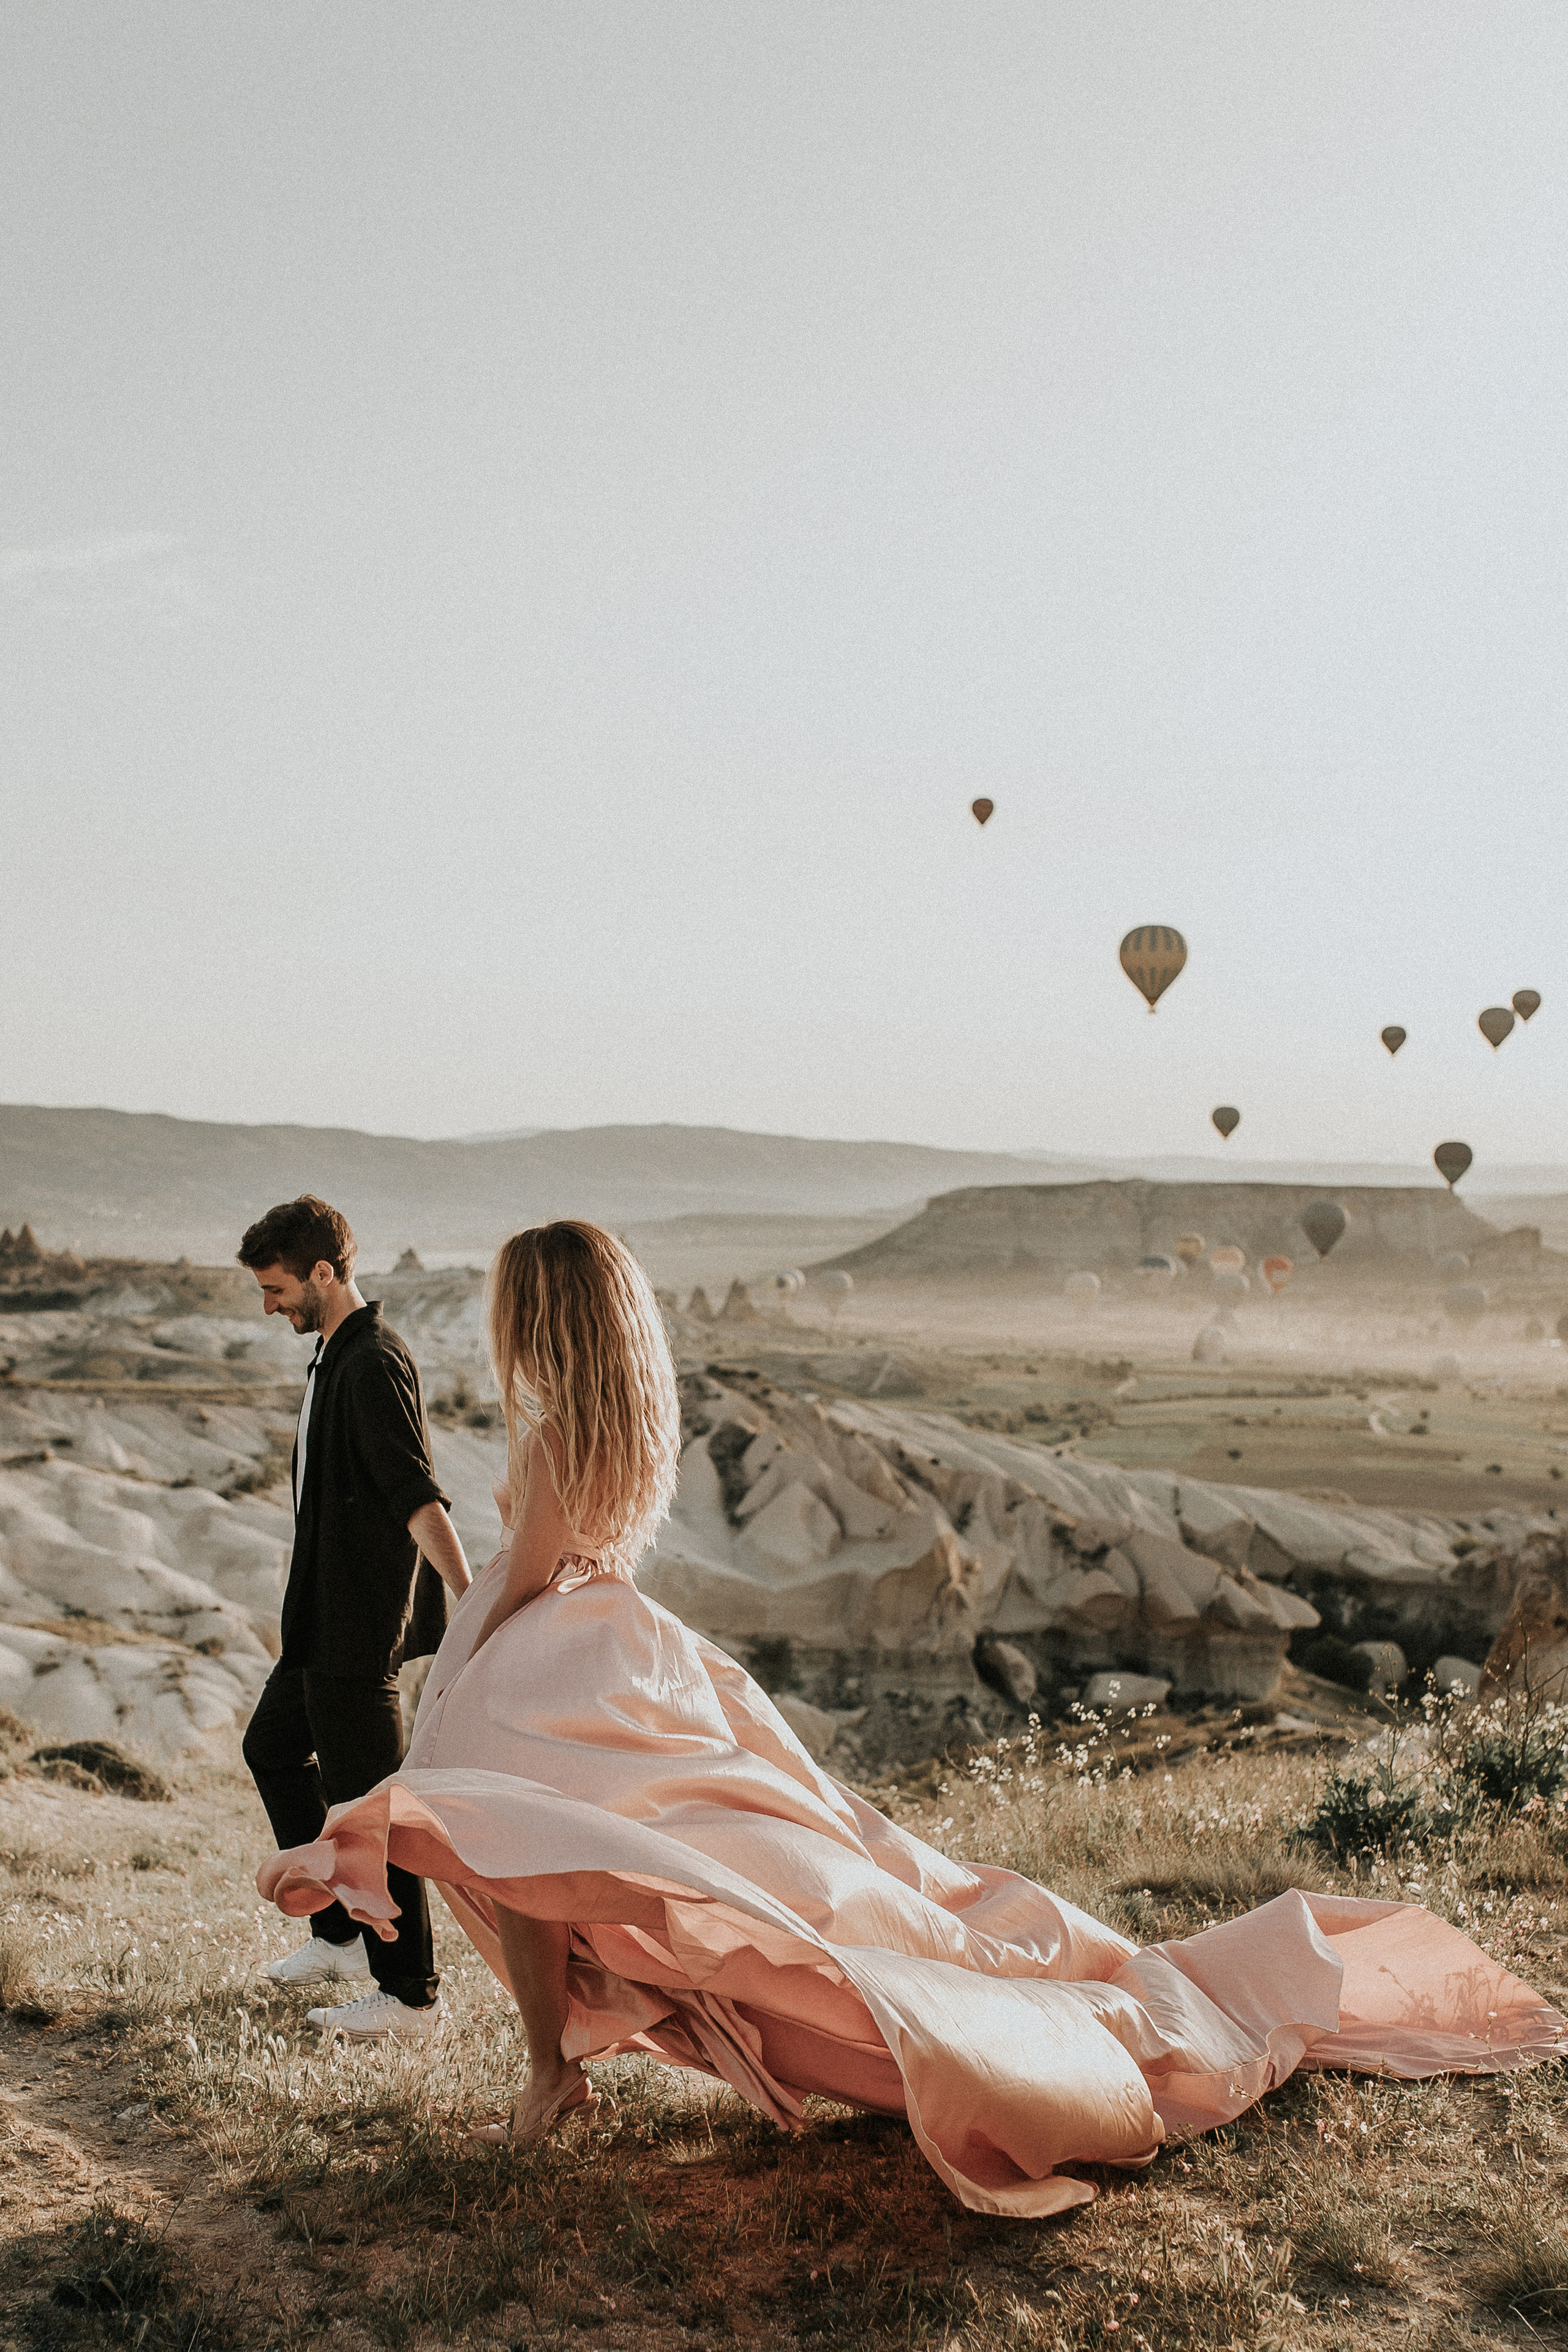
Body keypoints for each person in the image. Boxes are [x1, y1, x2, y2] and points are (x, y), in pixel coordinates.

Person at [258, 1221, 1564, 2206]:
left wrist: (453, 1683)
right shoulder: (621, 1424)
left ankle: (553, 2071)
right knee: (663, 1863)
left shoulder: (546, 1438)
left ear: (533, 1319)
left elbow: (528, 1571)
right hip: (617, 1653)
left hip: (550, 1658)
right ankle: (559, 2066)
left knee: (532, 1854)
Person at [239, 1194, 471, 2041]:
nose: (268, 1306)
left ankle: (411, 1997)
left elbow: (416, 1494)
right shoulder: (334, 1354)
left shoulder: (371, 1362)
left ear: (325, 1273)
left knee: (373, 1812)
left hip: (355, 1630)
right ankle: (339, 1936)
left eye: (276, 1289)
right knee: (270, 1747)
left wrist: (473, 1598)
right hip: (317, 1623)